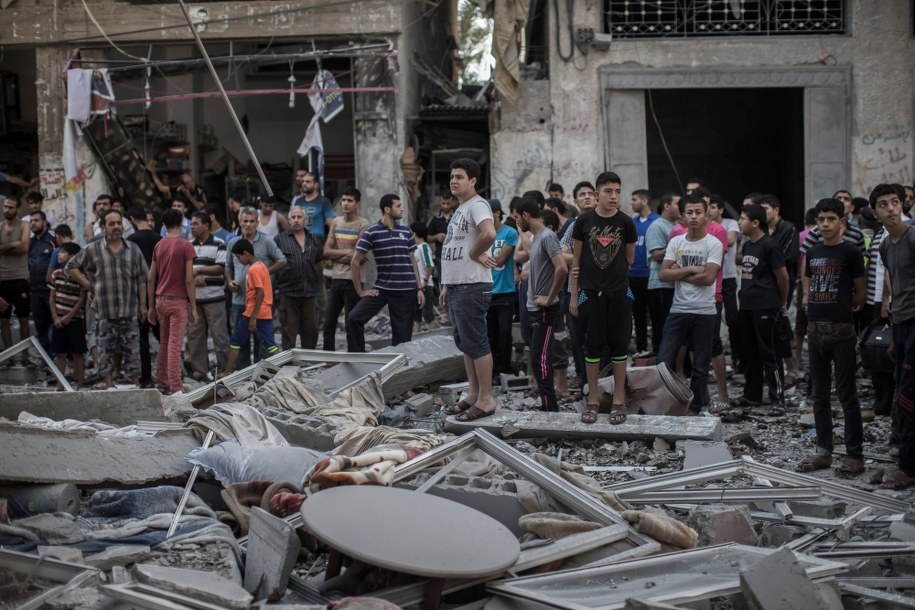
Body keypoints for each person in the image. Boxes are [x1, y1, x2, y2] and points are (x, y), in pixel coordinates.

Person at [795, 197, 866, 476]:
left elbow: (860, 293)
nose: (825, 224)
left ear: (842, 222)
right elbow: (808, 281)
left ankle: (855, 455)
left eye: (831, 219)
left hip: (841, 332)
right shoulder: (812, 252)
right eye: (821, 220)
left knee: (847, 395)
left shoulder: (850, 252)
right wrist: (809, 303)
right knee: (820, 395)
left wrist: (843, 309)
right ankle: (824, 452)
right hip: (816, 332)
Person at [570, 171, 637, 425]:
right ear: (598, 194)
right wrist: (574, 295)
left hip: (620, 292)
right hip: (589, 293)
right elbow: (576, 260)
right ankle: (593, 400)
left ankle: (619, 400)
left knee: (620, 346)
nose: (614, 196)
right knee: (592, 346)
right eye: (608, 191)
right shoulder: (583, 221)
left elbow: (629, 259)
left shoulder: (626, 223)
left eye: (618, 191)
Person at [439, 158, 498, 421]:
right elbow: (454, 247)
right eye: (452, 176)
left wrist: (476, 253)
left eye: (459, 177)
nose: (454, 181)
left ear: (472, 181)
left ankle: (486, 399)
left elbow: (489, 233)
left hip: (472, 285)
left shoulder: (478, 205)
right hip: (457, 285)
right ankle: (473, 394)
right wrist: (446, 284)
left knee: (477, 342)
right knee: (465, 343)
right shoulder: (460, 209)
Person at [657, 193, 723, 414]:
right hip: (678, 309)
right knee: (663, 361)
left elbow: (709, 278)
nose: (694, 216)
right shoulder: (676, 241)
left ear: (706, 215)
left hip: (705, 311)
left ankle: (694, 409)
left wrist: (679, 272)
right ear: (683, 216)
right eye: (689, 212)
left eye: (698, 212)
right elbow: (663, 274)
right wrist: (692, 269)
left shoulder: (713, 243)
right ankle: (664, 405)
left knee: (701, 366)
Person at [68, 209, 148, 388]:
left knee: (133, 352)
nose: (116, 227)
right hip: (104, 312)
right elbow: (71, 266)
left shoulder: (133, 249)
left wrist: (143, 305)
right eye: (112, 224)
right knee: (105, 351)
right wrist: (89, 285)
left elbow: (142, 279)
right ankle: (109, 386)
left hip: (129, 311)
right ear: (104, 227)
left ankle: (136, 386)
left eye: (119, 223)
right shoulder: (93, 249)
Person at [874, 183, 915, 489]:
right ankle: (903, 449)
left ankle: (908, 466)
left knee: (909, 394)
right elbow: (894, 281)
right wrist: (891, 331)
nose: (891, 208)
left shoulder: (913, 237)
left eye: (895, 202)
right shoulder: (886, 245)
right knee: (901, 387)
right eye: (884, 204)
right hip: (900, 323)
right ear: (875, 212)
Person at [346, 194, 424, 351]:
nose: (402, 209)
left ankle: (398, 365)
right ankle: (357, 358)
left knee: (402, 339)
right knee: (353, 318)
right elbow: (355, 261)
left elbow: (412, 260)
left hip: (406, 290)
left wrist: (419, 288)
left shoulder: (406, 231)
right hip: (382, 289)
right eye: (398, 206)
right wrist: (360, 291)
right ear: (387, 209)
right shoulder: (371, 232)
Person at [733, 204, 788, 411]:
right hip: (747, 306)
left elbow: (783, 277)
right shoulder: (748, 245)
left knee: (770, 353)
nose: (739, 222)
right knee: (749, 354)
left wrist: (782, 302)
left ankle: (777, 400)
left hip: (766, 306)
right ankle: (752, 396)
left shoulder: (770, 245)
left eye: (743, 218)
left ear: (755, 223)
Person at [516, 197, 568, 412]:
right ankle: (548, 406)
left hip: (545, 309)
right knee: (538, 358)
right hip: (535, 308)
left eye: (518, 218)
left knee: (541, 359)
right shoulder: (537, 238)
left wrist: (549, 297)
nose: (517, 222)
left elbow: (562, 268)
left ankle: (550, 408)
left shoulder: (547, 236)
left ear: (526, 215)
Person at [225, 207, 286, 369]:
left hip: (258, 306)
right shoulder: (233, 243)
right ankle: (243, 371)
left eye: (252, 221)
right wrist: (230, 281)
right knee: (245, 340)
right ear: (240, 222)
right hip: (239, 300)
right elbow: (227, 266)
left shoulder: (266, 242)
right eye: (245, 221)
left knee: (261, 341)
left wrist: (265, 273)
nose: (248, 224)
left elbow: (281, 260)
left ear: (257, 223)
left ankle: (261, 371)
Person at [147, 209, 198, 394]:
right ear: (181, 222)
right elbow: (189, 279)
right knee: (175, 345)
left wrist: (151, 307)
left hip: (160, 299)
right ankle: (176, 386)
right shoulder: (186, 246)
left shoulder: (159, 245)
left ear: (164, 225)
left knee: (165, 342)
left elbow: (150, 278)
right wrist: (194, 307)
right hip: (178, 301)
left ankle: (162, 381)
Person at [221, 239, 279, 375]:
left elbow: (260, 293)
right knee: (270, 344)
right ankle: (281, 370)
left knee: (235, 341)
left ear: (246, 254)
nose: (238, 260)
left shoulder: (254, 269)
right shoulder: (262, 266)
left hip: (253, 312)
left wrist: (253, 317)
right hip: (264, 312)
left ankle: (227, 372)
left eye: (238, 257)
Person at [559, 181, 597, 387]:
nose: (587, 197)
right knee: (576, 338)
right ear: (575, 200)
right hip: (574, 290)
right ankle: (582, 377)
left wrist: (575, 257)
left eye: (590, 193)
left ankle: (601, 379)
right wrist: (584, 258)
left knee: (599, 337)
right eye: (582, 194)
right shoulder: (573, 225)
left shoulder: (605, 222)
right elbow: (560, 254)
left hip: (600, 290)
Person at [322, 186, 369, 351]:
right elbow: (326, 251)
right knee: (329, 321)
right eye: (343, 200)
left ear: (357, 203)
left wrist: (337, 256)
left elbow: (359, 256)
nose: (345, 204)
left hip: (354, 280)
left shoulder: (363, 224)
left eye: (350, 200)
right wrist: (348, 253)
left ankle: (356, 356)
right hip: (336, 278)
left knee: (352, 322)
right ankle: (328, 357)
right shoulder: (336, 222)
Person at [186, 211, 229, 380]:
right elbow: (184, 268)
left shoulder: (219, 243)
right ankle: (200, 370)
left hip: (215, 298)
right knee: (195, 335)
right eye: (191, 224)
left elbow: (220, 267)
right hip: (194, 299)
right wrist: (194, 276)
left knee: (219, 335)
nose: (192, 227)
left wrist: (199, 271)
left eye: (195, 224)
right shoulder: (188, 245)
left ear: (205, 225)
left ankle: (225, 368)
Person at [274, 206, 324, 349]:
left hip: (309, 294)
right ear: (289, 220)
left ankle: (308, 359)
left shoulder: (314, 240)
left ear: (305, 220)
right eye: (293, 217)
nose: (296, 220)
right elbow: (273, 262)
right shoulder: (280, 239)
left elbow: (320, 264)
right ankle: (289, 360)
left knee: (311, 331)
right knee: (289, 332)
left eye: (299, 217)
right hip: (288, 293)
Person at [126, 206, 162, 387]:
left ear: (132, 219)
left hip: (139, 294)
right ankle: (166, 375)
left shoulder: (131, 241)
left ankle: (146, 377)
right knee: (163, 337)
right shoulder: (159, 239)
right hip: (159, 293)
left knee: (142, 339)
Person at [645, 193, 680, 357]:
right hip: (659, 285)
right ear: (666, 205)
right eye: (678, 203)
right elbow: (657, 255)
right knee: (661, 325)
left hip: (673, 284)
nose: (682, 207)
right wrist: (679, 245)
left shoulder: (675, 225)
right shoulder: (657, 226)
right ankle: (660, 360)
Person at [487, 198, 519, 379]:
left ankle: (505, 369)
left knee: (505, 333)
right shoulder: (483, 235)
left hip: (505, 291)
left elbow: (500, 260)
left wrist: (478, 257)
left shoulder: (510, 232)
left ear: (497, 213)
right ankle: (493, 371)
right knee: (490, 334)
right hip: (487, 292)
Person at [708, 194, 741, 372]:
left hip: (728, 277)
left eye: (713, 207)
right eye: (709, 207)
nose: (710, 210)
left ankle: (737, 357)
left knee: (733, 318)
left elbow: (730, 240)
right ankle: (715, 359)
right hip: (713, 279)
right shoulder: (705, 226)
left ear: (720, 210)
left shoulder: (730, 224)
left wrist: (714, 232)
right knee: (713, 321)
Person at [49, 242, 87, 389]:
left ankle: (80, 384)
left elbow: (82, 299)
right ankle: (60, 384)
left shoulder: (80, 276)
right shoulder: (56, 274)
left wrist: (69, 317)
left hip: (75, 320)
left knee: (78, 352)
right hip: (58, 319)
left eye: (63, 252)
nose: (59, 254)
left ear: (72, 256)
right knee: (60, 353)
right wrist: (55, 317)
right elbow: (52, 298)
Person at [0, 196, 30, 354]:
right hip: (2, 278)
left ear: (18, 209)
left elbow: (24, 247)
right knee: (3, 320)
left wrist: (3, 249)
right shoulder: (0, 226)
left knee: (23, 318)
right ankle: (9, 356)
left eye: (11, 207)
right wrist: (12, 244)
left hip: (20, 277)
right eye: (5, 207)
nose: (7, 210)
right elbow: (18, 246)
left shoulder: (24, 225)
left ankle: (25, 355)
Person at [630, 188, 657, 357]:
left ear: (644, 201)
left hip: (651, 276)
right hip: (633, 275)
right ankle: (641, 349)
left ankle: (656, 350)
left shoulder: (657, 221)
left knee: (655, 315)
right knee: (638, 315)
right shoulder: (632, 222)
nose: (631, 203)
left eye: (634, 199)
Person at [28, 210, 57, 354]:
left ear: (44, 222)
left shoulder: (53, 240)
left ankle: (63, 358)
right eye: (31, 221)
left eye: (36, 220)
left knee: (56, 324)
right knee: (41, 326)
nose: (33, 223)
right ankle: (47, 358)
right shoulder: (30, 243)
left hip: (51, 291)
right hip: (35, 291)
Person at [292, 171, 334, 242]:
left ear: (316, 185)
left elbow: (332, 227)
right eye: (303, 181)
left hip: (317, 243)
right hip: (299, 243)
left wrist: (327, 245)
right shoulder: (298, 201)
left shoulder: (324, 202)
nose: (304, 184)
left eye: (308, 182)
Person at [410, 222, 437, 333]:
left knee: (428, 314)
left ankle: (433, 336)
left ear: (414, 233)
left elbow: (430, 266)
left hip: (425, 286)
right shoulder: (414, 248)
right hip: (417, 287)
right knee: (416, 315)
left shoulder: (424, 247)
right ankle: (417, 335)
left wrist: (424, 281)